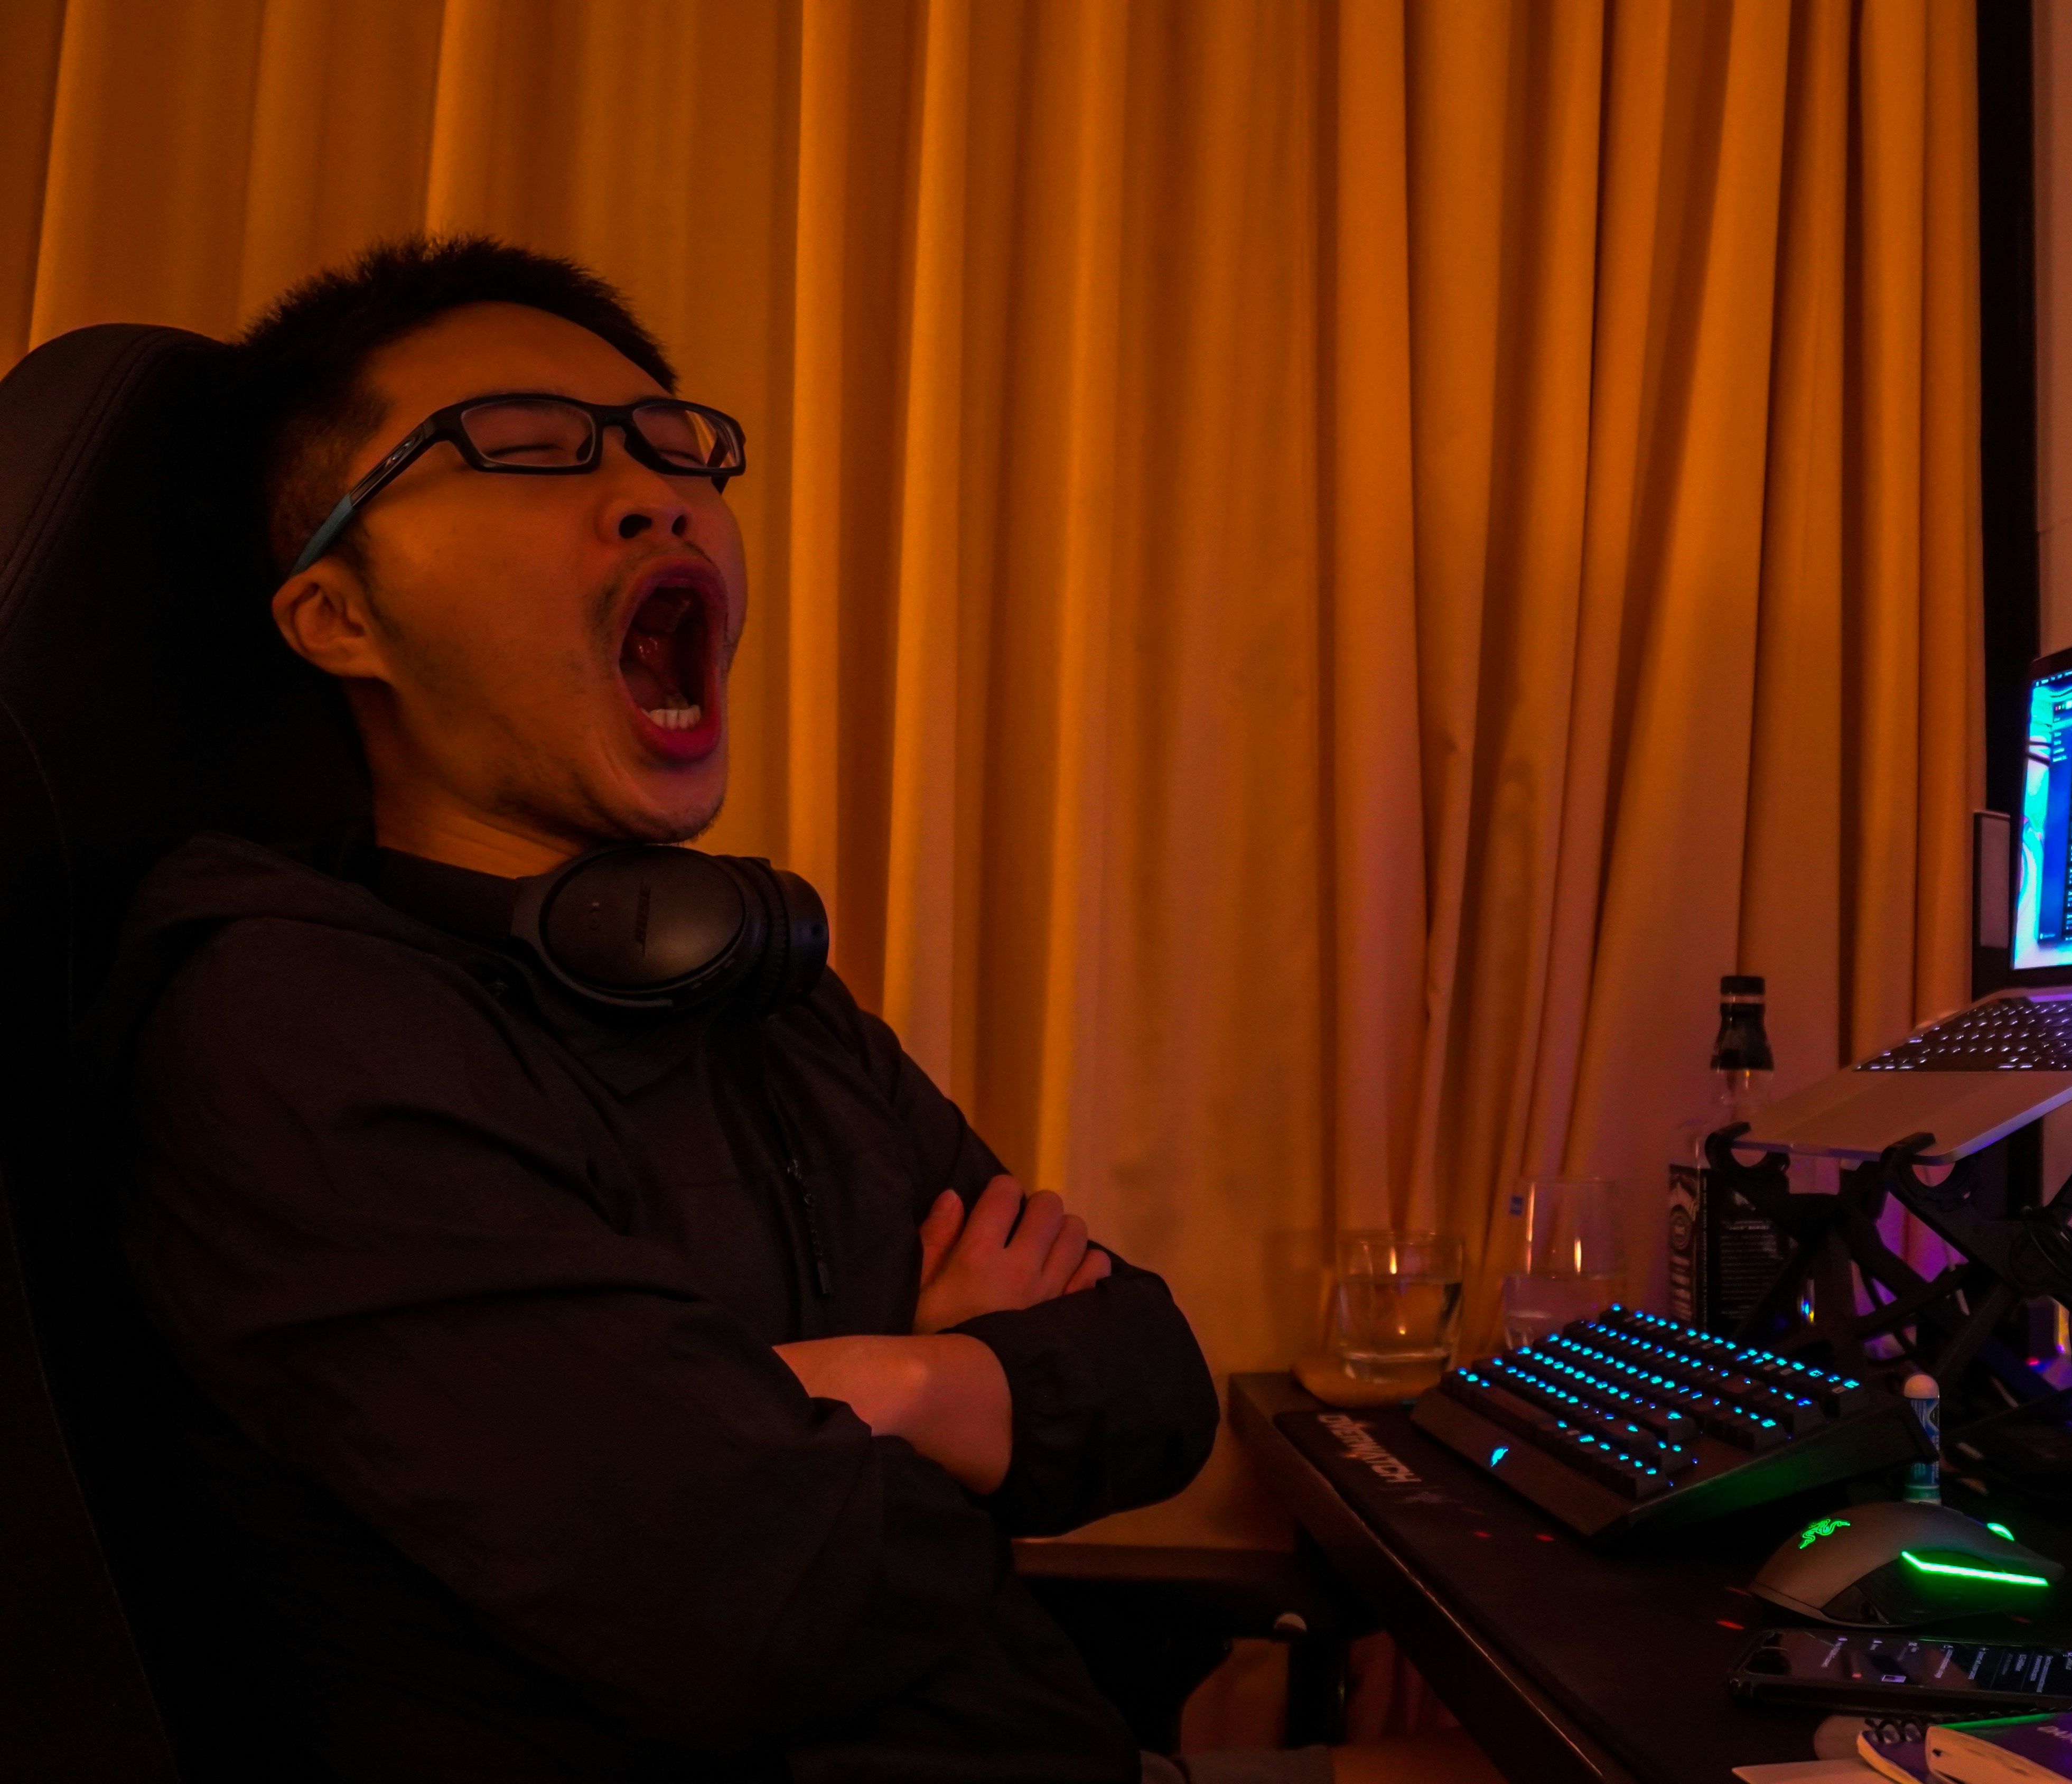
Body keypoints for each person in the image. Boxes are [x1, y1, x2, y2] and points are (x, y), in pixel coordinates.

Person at [99, 235, 1230, 1782]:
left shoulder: (753, 989)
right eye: (520, 447)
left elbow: (1155, 1380)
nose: (652, 488)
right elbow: (752, 1604)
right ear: (339, 620)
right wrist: (968, 1433)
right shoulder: (297, 1028)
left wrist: (894, 1380)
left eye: (669, 441)